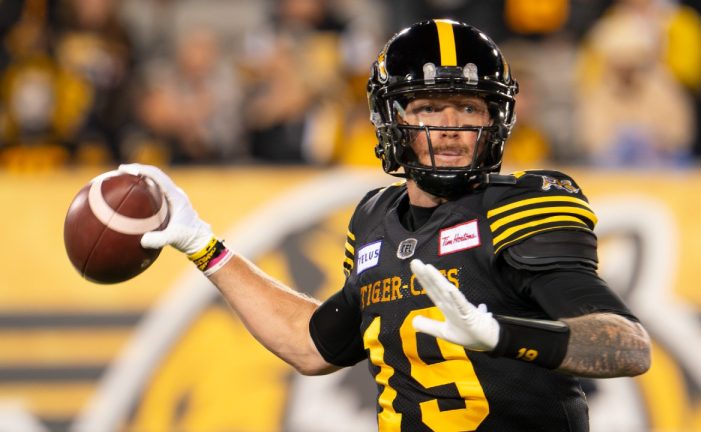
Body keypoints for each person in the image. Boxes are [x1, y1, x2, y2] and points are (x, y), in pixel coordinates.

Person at [121, 19, 651, 431]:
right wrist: (202, 245)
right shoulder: (376, 219)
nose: (449, 129)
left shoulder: (523, 207)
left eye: (467, 106)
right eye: (427, 108)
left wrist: (499, 334)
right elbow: (313, 345)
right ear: (391, 118)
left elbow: (628, 345)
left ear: (495, 119)